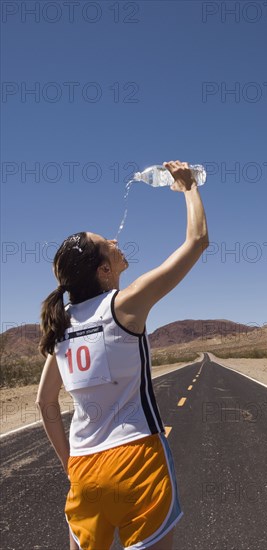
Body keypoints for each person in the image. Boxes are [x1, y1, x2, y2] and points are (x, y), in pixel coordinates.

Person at [35, 160, 209, 550]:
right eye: (107, 243)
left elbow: (45, 401)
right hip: (137, 462)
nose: (116, 241)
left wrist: (71, 466)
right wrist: (189, 187)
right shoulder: (124, 305)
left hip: (84, 469)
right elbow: (197, 241)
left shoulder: (61, 325)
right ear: (103, 270)